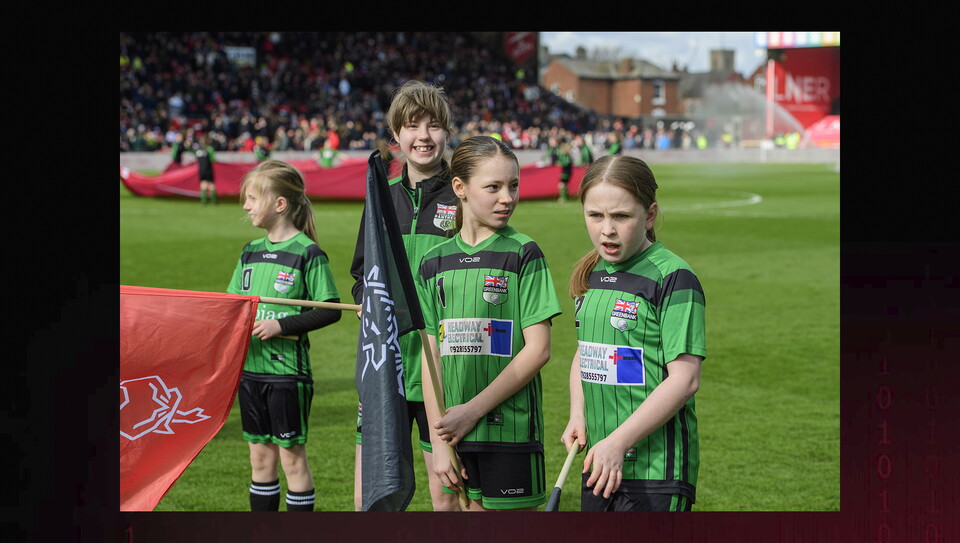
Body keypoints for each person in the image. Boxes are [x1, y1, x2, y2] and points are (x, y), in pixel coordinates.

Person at [416, 135, 563, 511]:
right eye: (493, 187)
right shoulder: (433, 262)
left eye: (513, 185)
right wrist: (440, 442)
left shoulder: (523, 253)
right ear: (460, 188)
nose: (507, 197)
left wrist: (472, 411)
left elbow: (539, 349)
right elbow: (430, 353)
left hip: (509, 431)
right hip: (454, 434)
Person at [561, 155, 706, 512]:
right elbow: (587, 352)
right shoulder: (591, 272)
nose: (606, 229)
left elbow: (684, 380)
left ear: (651, 214)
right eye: (595, 215)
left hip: (656, 472)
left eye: (621, 216)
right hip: (599, 461)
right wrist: (578, 413)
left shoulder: (673, 277)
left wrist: (618, 441)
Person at [348, 80, 461, 511]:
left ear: (447, 132)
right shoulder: (381, 199)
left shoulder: (462, 195)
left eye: (434, 126)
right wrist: (367, 300)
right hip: (386, 369)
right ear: (396, 136)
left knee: (445, 497)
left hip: (442, 369)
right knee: (370, 497)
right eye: (412, 126)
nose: (424, 136)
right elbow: (363, 273)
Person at [226, 159, 343, 511]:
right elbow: (233, 305)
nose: (245, 206)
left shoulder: (308, 253)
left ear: (280, 204)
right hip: (250, 372)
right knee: (260, 460)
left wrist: (281, 325)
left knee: (292, 460)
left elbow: (330, 308)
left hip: (286, 375)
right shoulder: (250, 252)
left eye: (251, 198)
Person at [194, 135, 218, 204]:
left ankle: (203, 201)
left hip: (201, 169)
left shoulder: (198, 150)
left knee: (203, 184)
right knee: (211, 184)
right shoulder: (209, 149)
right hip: (208, 169)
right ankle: (214, 201)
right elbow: (213, 159)